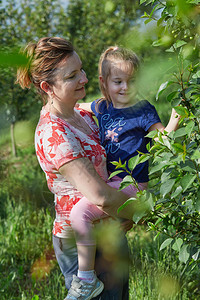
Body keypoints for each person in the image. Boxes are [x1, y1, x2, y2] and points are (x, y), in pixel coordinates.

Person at [16, 37, 137, 300]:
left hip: (108, 228)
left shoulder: (80, 114)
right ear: (48, 87)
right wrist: (140, 211)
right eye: (72, 76)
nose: (83, 78)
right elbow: (100, 196)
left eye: (81, 69)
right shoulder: (54, 134)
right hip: (85, 245)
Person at [70, 45, 181, 298]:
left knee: (80, 214)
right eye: (118, 81)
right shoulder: (102, 107)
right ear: (104, 82)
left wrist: (175, 121)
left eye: (131, 81)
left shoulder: (142, 109)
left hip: (132, 183)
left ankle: (85, 278)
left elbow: (162, 139)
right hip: (113, 184)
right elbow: (76, 105)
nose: (125, 88)